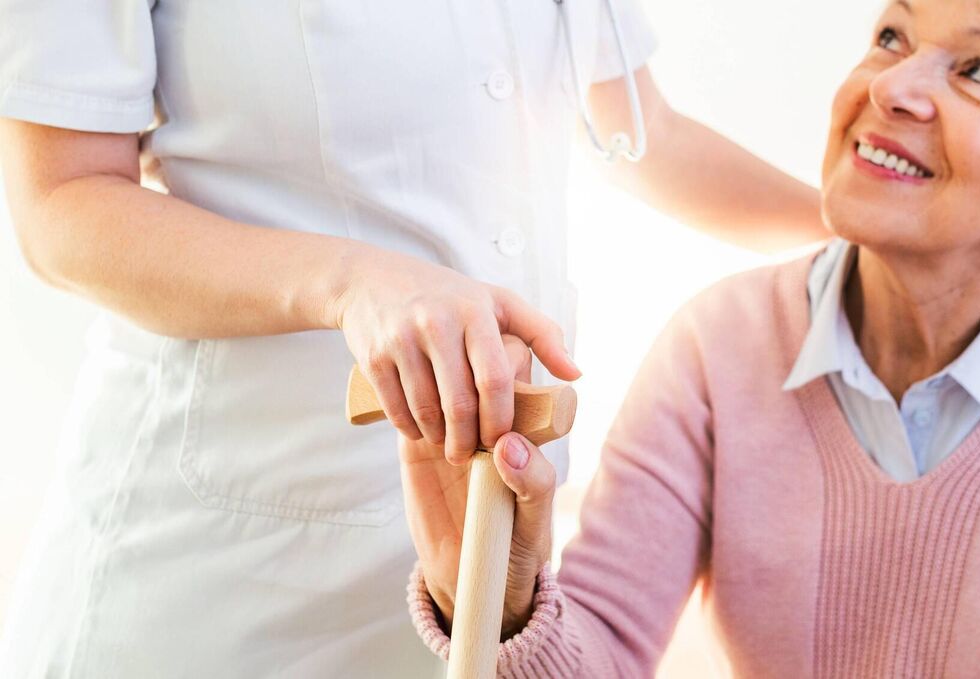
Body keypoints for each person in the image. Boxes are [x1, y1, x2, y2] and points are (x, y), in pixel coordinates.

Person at [0, 1, 828, 676]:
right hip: (223, 570)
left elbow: (647, 137)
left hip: (473, 579)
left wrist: (868, 232)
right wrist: (352, 282)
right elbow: (62, 205)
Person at [406, 0, 980, 675]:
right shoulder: (717, 347)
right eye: (893, 37)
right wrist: (497, 599)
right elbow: (602, 653)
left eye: (978, 72)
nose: (891, 87)